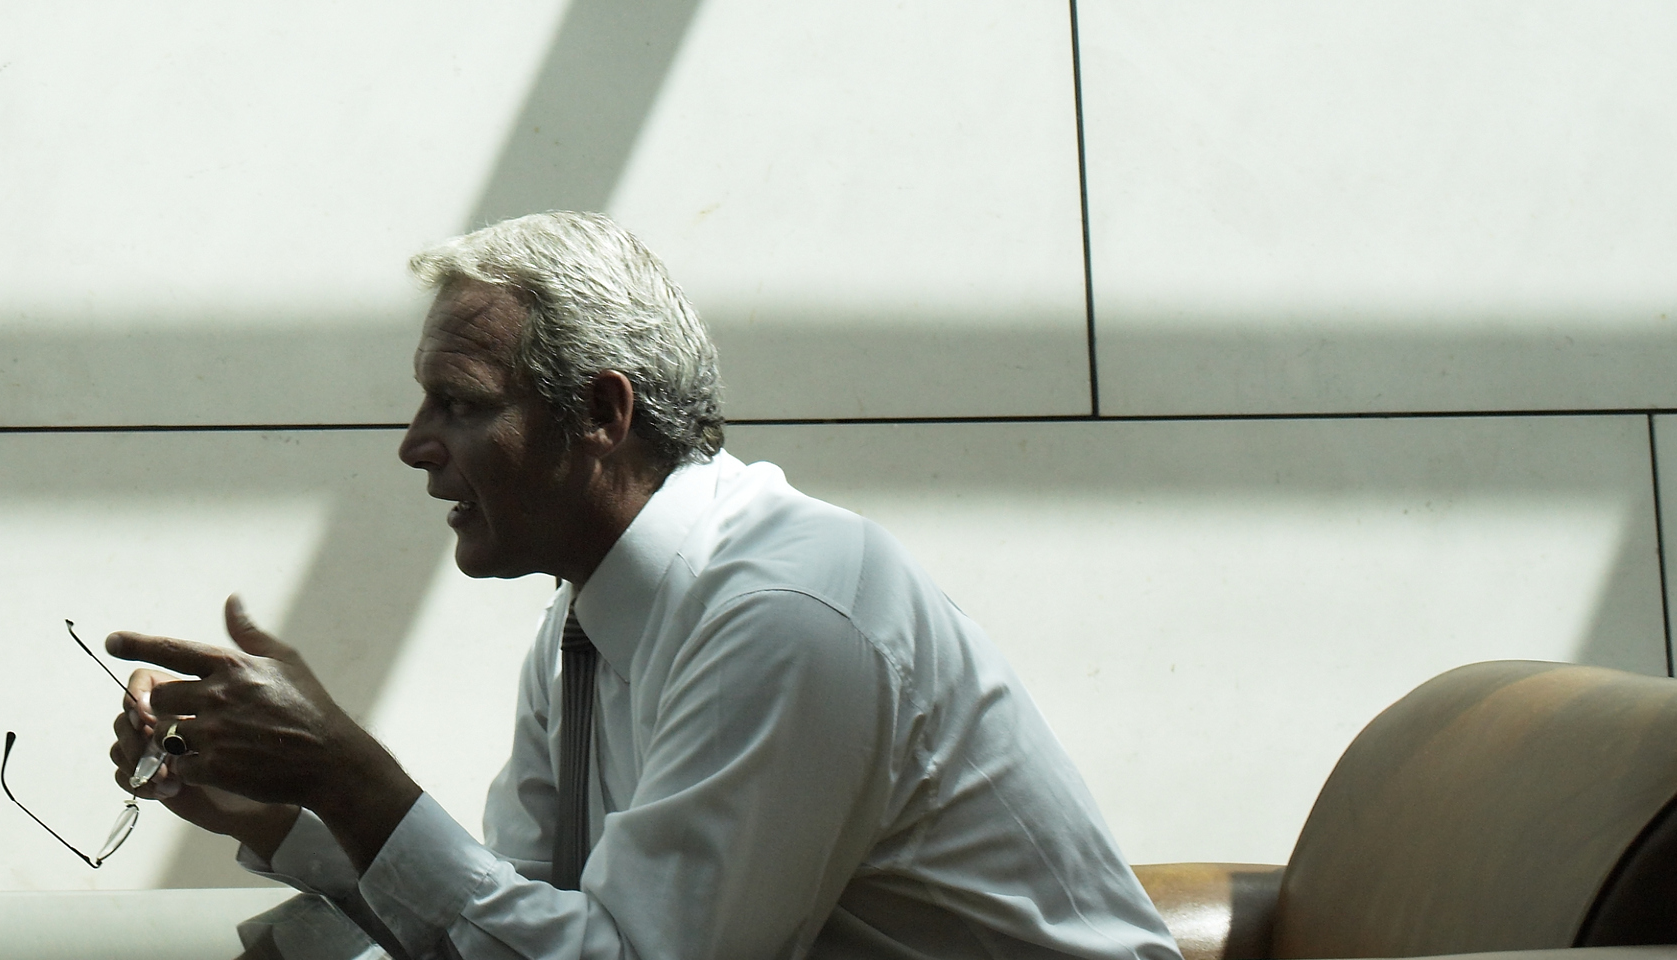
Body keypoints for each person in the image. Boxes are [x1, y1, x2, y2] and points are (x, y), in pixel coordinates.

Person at [101, 212, 1176, 960]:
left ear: (602, 416)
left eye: (459, 404)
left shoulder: (784, 617)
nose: (413, 448)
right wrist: (297, 812)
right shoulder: (582, 620)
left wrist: (354, 779)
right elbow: (516, 930)